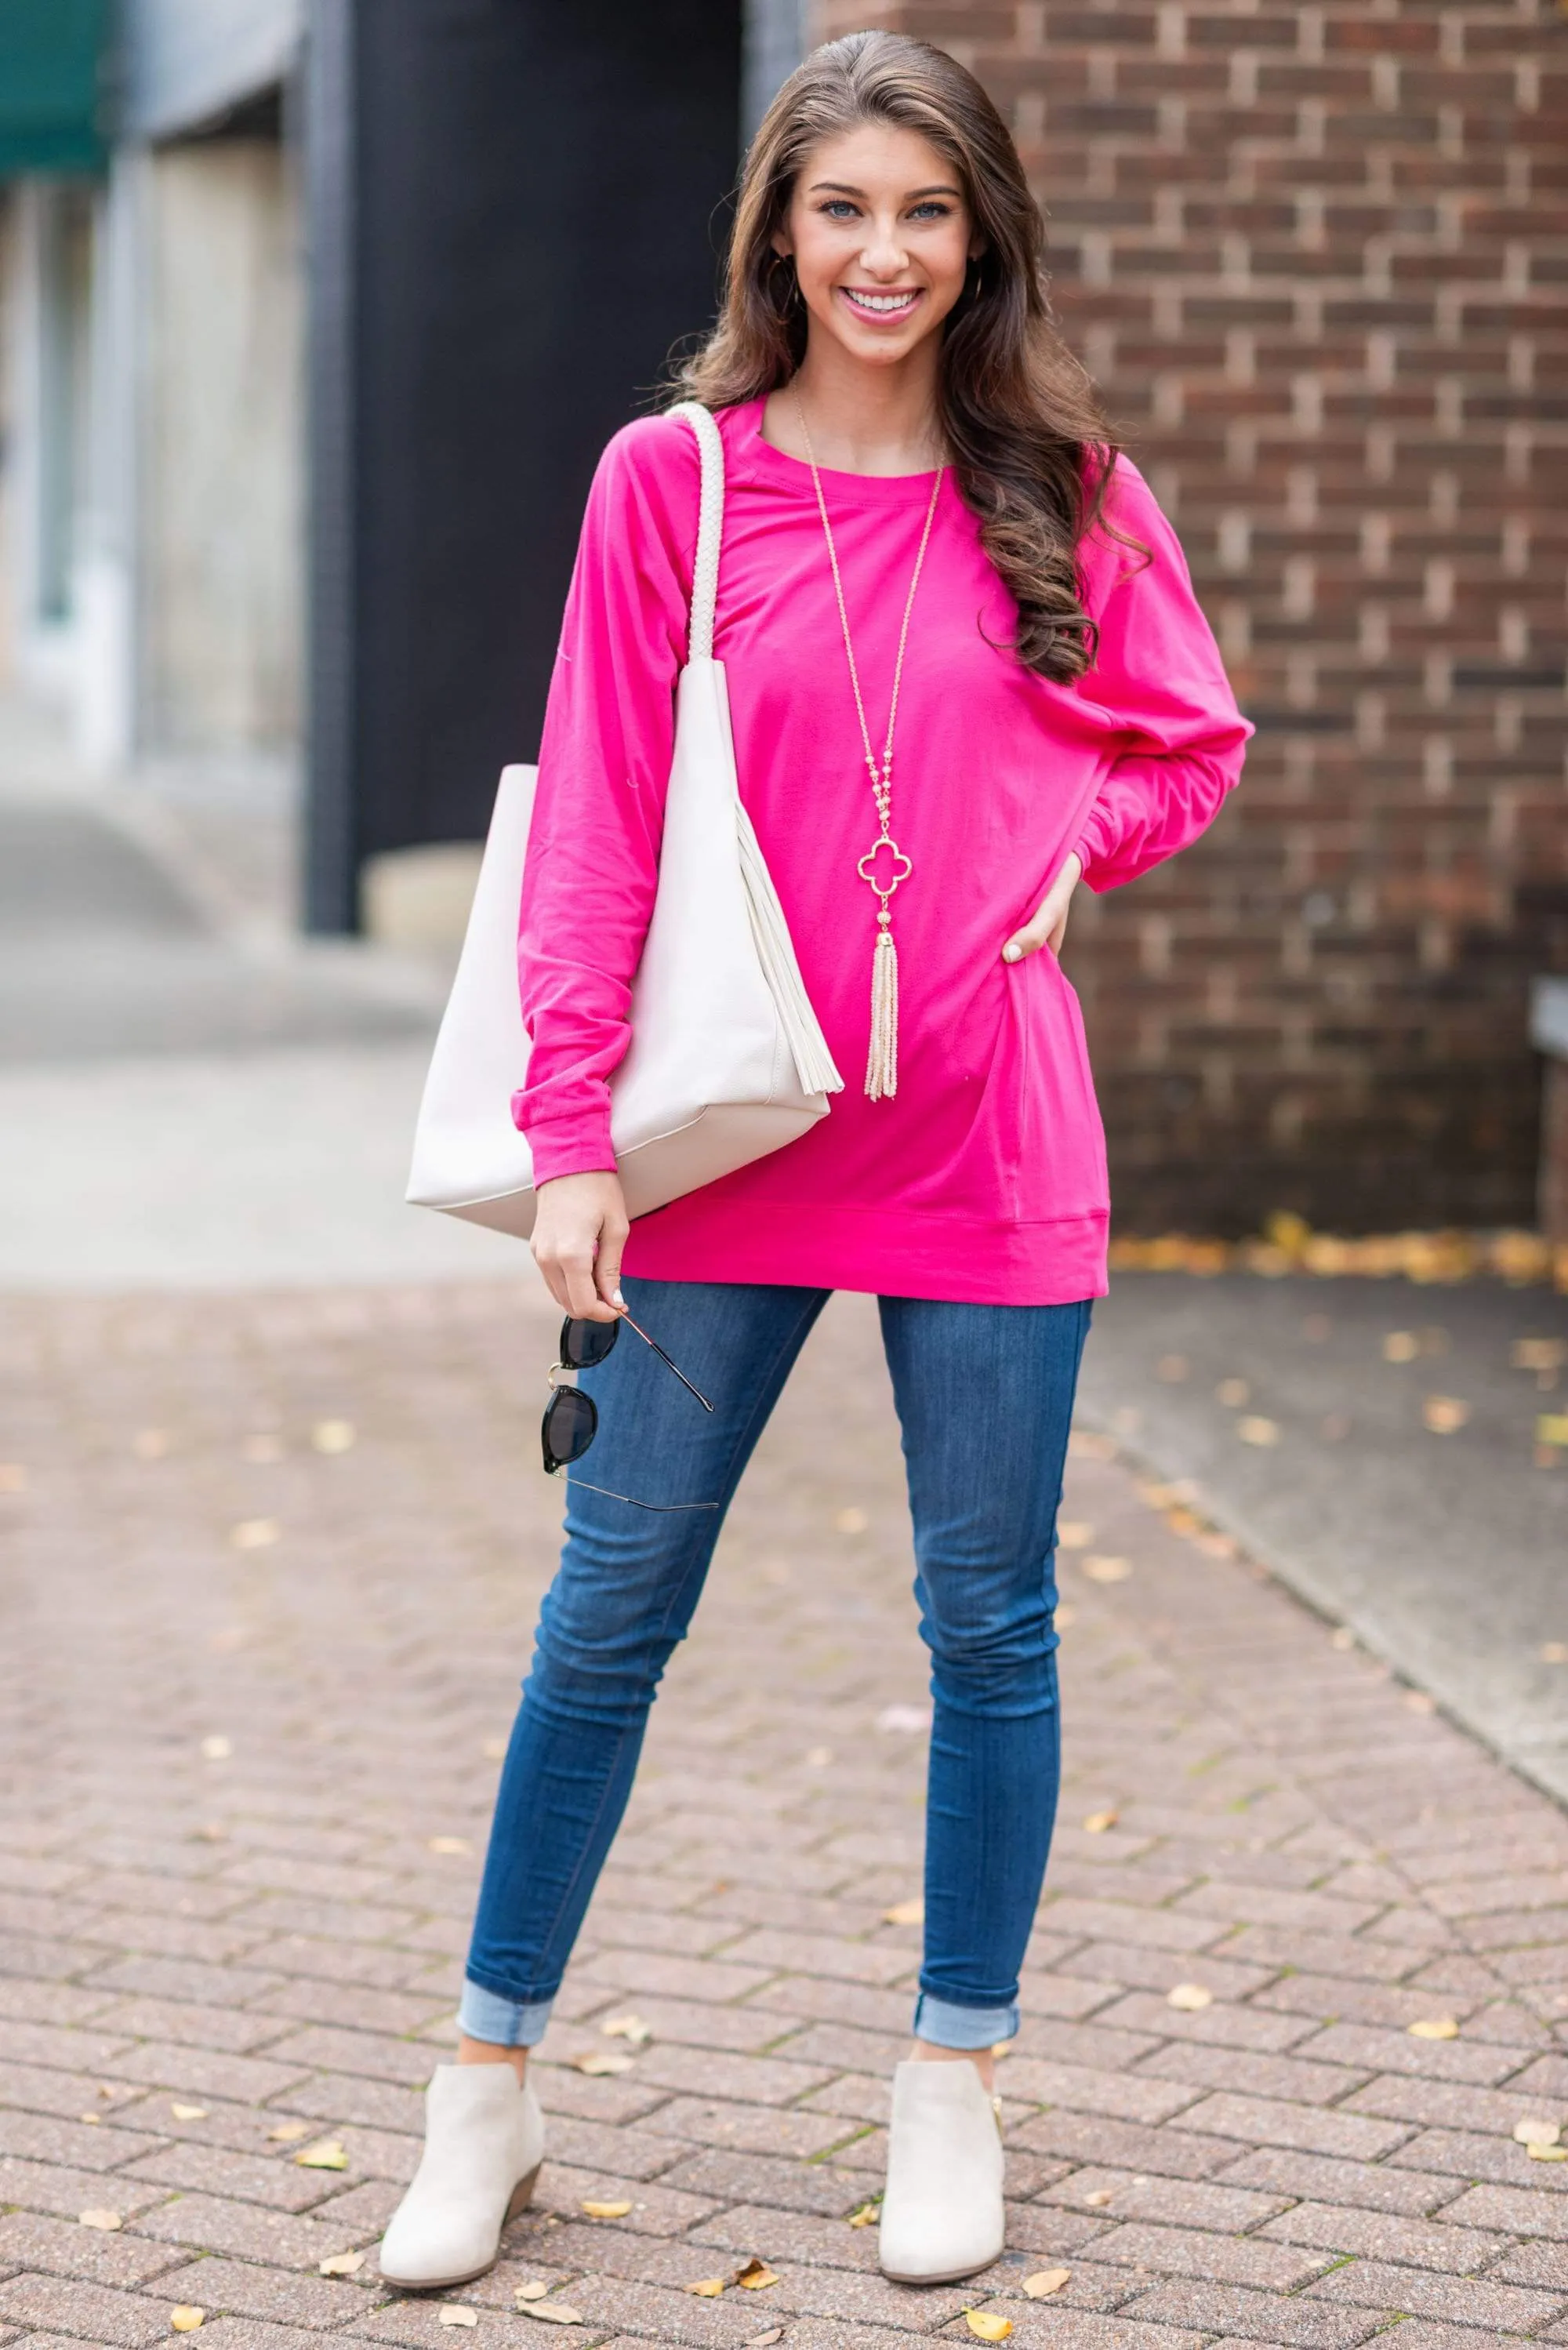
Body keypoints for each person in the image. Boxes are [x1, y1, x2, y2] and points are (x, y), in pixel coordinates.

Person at [379, 27, 1250, 2294]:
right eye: (841, 206)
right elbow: (588, 815)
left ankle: (951, 2076)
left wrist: (1085, 828)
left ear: (983, 240)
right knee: (607, 1618)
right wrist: (574, 1136)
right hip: (723, 1152)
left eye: (925, 211)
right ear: (780, 226)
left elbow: (1191, 740)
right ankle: (487, 2080)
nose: (883, 252)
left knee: (992, 1625)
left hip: (990, 1140)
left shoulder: (1064, 479)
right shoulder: (670, 483)